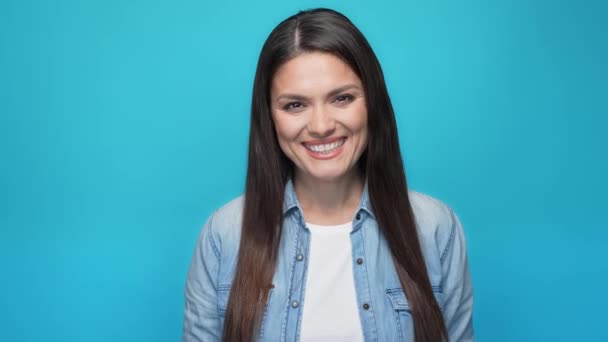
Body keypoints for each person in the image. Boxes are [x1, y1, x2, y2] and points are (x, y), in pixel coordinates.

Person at [182, 8, 474, 342]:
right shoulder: (224, 234)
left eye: (342, 98)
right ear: (270, 118)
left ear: (372, 103)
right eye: (295, 105)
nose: (321, 126)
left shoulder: (435, 227)